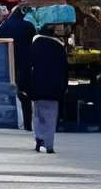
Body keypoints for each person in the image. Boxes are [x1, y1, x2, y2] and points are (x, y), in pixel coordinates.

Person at [16, 23, 70, 155]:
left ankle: (39, 139)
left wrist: (23, 86)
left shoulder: (34, 46)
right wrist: (64, 87)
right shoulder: (59, 48)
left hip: (37, 87)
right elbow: (64, 70)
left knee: (38, 115)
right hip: (54, 88)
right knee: (51, 116)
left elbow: (26, 68)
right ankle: (49, 144)